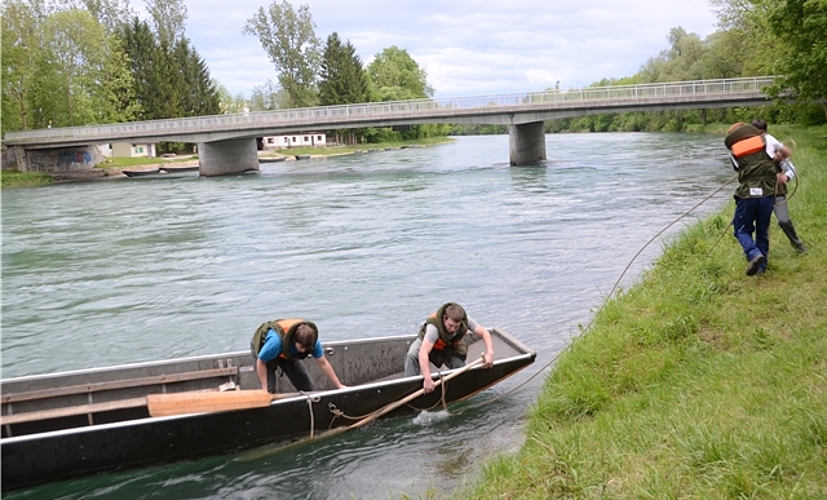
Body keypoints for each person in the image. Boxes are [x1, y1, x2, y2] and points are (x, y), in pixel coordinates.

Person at [725, 122, 778, 275]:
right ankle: (761, 268)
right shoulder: (766, 142)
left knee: (741, 229)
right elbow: (778, 157)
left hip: (747, 195)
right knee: (762, 230)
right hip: (767, 194)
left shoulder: (733, 152)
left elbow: (739, 171)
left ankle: (754, 254)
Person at [404, 302, 495, 393]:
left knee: (463, 370)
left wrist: (490, 352)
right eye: (450, 325)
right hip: (428, 343)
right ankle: (409, 389)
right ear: (444, 318)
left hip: (447, 347)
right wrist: (427, 379)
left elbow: (484, 332)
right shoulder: (433, 329)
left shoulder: (465, 321)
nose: (453, 329)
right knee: (412, 355)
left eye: (456, 326)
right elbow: (423, 353)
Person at [751, 119, 807, 253]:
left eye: (759, 133)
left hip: (777, 192)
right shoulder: (750, 151)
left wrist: (785, 177)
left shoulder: (776, 149)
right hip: (759, 192)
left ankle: (798, 245)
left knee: (784, 220)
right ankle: (759, 253)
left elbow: (790, 168)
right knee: (760, 224)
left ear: (764, 132)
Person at [250, 318, 346, 393]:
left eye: (306, 348)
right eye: (302, 347)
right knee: (269, 390)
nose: (304, 350)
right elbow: (261, 361)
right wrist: (264, 388)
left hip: (287, 352)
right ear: (294, 340)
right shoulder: (275, 343)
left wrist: (339, 386)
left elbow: (323, 363)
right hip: (265, 349)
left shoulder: (312, 343)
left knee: (305, 383)